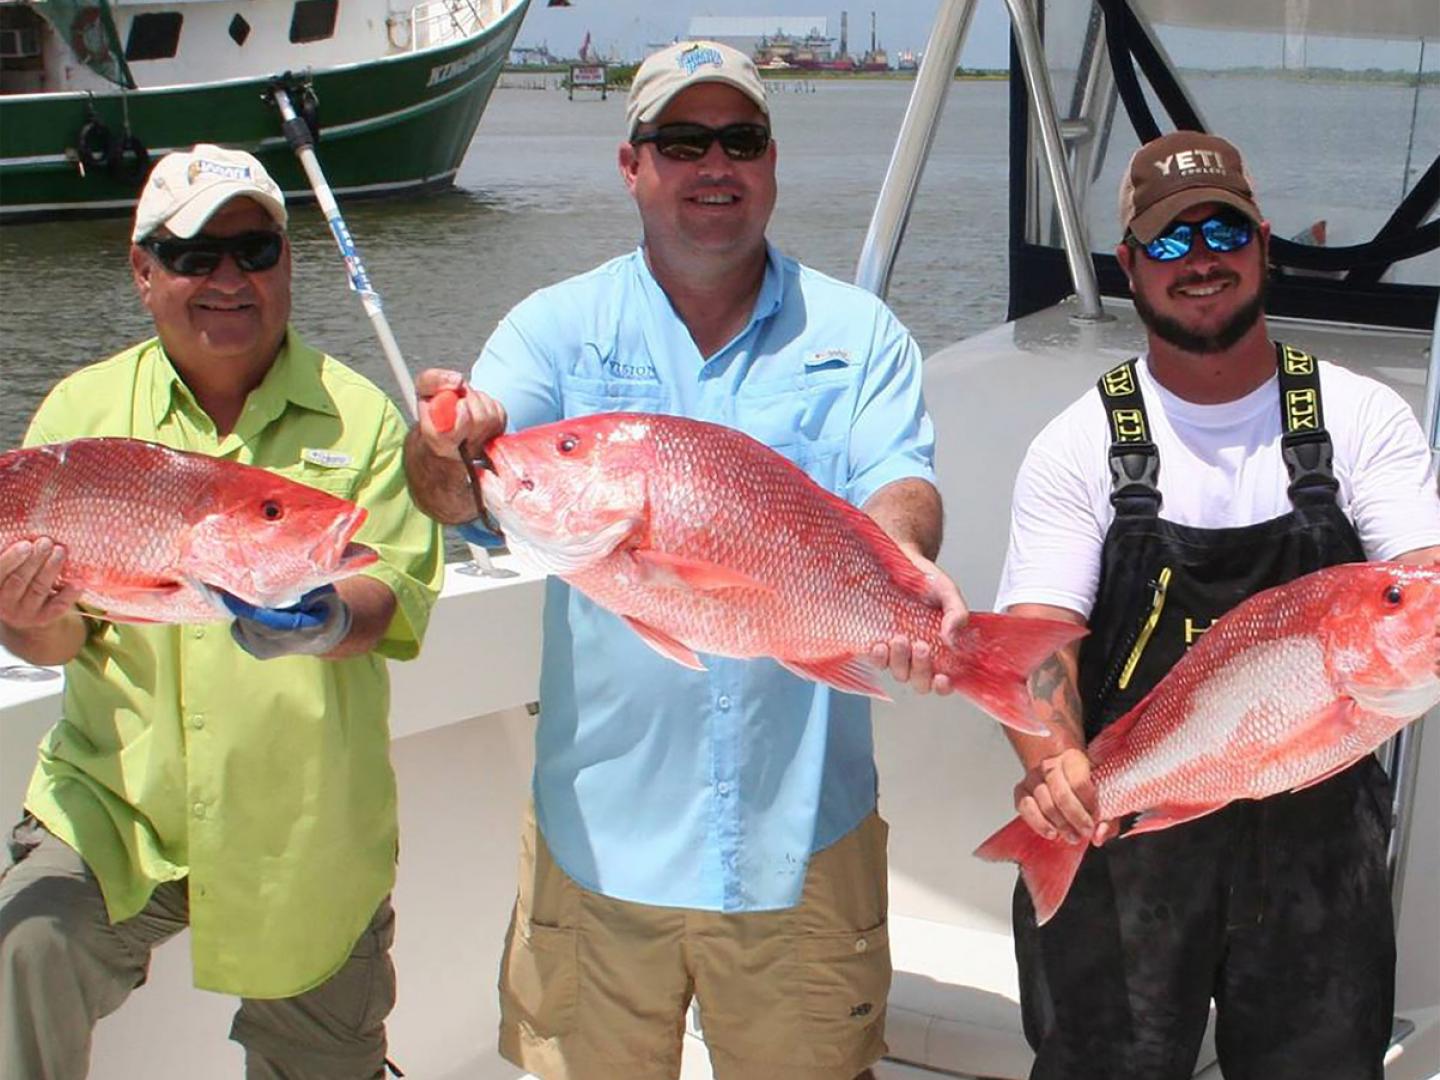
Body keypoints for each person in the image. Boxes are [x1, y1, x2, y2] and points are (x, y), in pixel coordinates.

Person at [404, 40, 966, 1080]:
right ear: (633, 165)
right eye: (681, 141)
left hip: (804, 841)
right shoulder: (555, 329)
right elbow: (460, 491)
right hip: (598, 844)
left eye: (740, 140)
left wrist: (899, 567)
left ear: (772, 161)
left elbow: (898, 478)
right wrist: (444, 445)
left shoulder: (859, 333)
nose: (715, 164)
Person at [994, 130, 1440, 1080]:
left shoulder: (1361, 418)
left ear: (1263, 245)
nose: (1199, 259)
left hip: (1319, 850)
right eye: (1168, 241)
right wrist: (1060, 769)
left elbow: (1419, 575)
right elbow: (1039, 639)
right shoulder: (1078, 444)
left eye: (1224, 233)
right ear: (1129, 266)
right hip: (1130, 846)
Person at [0, 144, 444, 1079]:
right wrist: (24, 612)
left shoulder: (361, 416)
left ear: (288, 261)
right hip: (115, 810)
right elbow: (60, 639)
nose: (229, 280)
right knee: (21, 949)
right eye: (194, 255)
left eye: (255, 250)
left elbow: (392, 588)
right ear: (143, 271)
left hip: (304, 830)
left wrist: (327, 619)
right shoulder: (82, 410)